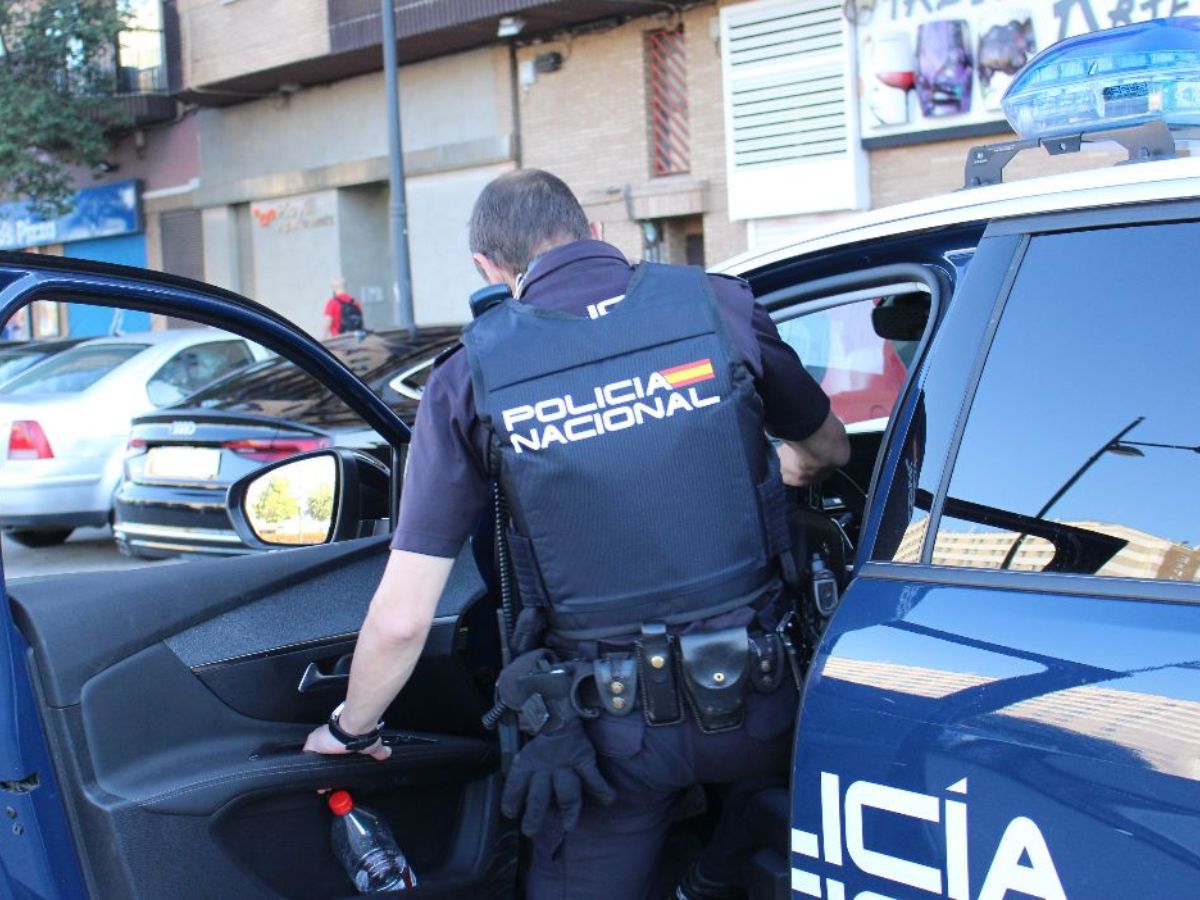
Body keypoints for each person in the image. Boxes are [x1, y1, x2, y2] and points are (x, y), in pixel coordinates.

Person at [304, 170, 850, 899]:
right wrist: (776, 473)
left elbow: (403, 618)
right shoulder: (718, 305)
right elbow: (828, 450)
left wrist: (352, 730)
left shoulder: (471, 377)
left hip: (609, 741)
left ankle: (724, 854)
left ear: (490, 271)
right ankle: (734, 844)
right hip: (767, 703)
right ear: (596, 232)